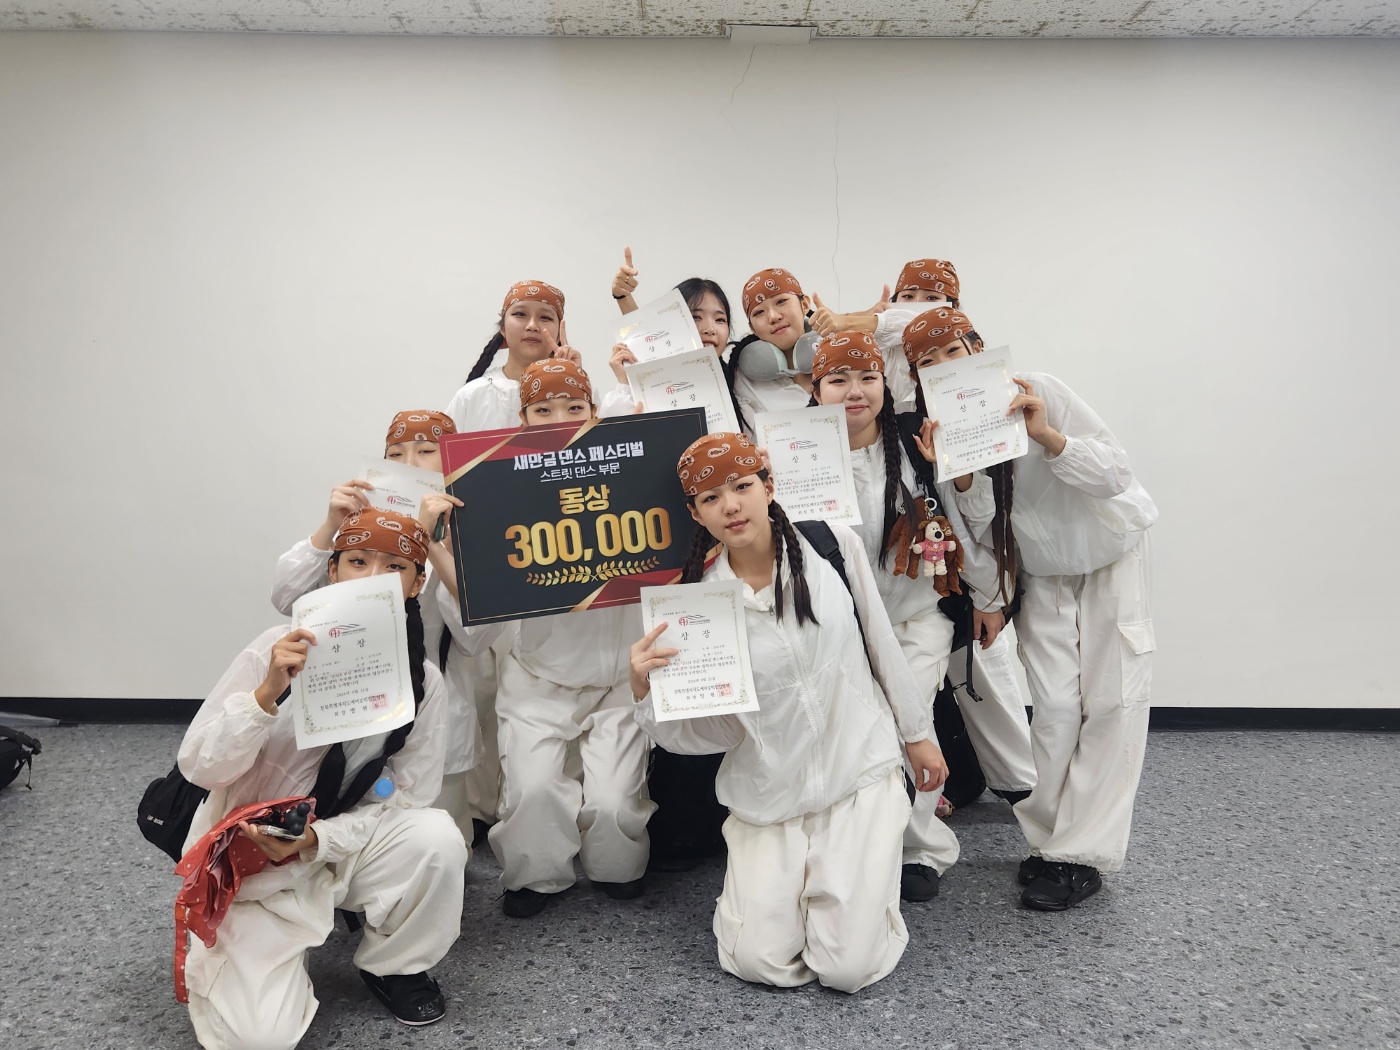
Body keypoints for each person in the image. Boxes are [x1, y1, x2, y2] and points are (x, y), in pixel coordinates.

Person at [629, 432, 946, 993]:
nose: (730, 506)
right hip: (769, 795)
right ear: (695, 513)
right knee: (760, 962)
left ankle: (852, 899)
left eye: (741, 486)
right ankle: (796, 897)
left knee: (846, 969)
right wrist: (645, 691)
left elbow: (880, 641)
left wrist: (917, 734)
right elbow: (710, 734)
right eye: (710, 498)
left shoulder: (830, 546)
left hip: (858, 774)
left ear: (768, 486)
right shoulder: (697, 605)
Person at [179, 509, 467, 1047]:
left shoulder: (421, 680)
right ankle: (249, 955)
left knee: (436, 839)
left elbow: (409, 792)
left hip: (338, 846)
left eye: (394, 567)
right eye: (357, 561)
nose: (371, 578)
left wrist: (320, 839)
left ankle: (394, 964)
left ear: (416, 584)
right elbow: (200, 767)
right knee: (257, 1040)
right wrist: (266, 696)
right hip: (254, 862)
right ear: (332, 571)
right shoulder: (274, 648)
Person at [902, 306, 1158, 911]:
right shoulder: (943, 430)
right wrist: (962, 480)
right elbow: (977, 532)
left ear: (978, 346)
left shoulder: (1038, 389)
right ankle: (1051, 843)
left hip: (1108, 555)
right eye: (928, 362)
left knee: (1113, 703)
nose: (946, 366)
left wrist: (1048, 437)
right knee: (1056, 710)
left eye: (953, 350)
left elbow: (1115, 473)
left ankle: (1079, 857)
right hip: (1039, 574)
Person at [266, 411, 493, 849]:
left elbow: (476, 636)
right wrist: (330, 526)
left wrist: (428, 543)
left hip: (430, 705)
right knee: (333, 817)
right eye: (396, 454)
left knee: (437, 835)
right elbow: (286, 599)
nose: (410, 463)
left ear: (451, 461)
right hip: (346, 697)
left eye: (425, 452)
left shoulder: (468, 526)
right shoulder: (359, 523)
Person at [489, 358, 654, 918]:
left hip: (620, 674)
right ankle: (535, 877)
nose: (560, 419)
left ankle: (616, 867)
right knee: (532, 790)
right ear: (522, 417)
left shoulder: (629, 471)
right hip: (539, 673)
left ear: (594, 412)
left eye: (574, 407)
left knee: (613, 802)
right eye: (543, 410)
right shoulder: (500, 484)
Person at [444, 280, 582, 842]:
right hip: (488, 556)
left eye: (546, 316)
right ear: (502, 325)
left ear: (561, 328)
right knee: (482, 687)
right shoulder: (473, 397)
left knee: (543, 693)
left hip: (553, 556)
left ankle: (551, 809)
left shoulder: (575, 385)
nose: (533, 325)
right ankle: (485, 808)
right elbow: (448, 468)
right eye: (520, 314)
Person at [808, 258, 963, 410]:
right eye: (908, 296)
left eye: (932, 298)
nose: (916, 304)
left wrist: (847, 320)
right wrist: (864, 317)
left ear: (954, 307)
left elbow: (915, 323)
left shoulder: (961, 336)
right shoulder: (878, 341)